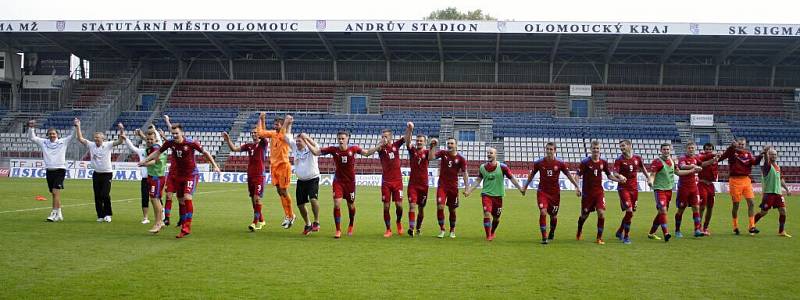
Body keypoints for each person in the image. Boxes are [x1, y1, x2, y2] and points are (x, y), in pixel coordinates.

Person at [141, 121, 220, 238]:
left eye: (176, 133)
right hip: (178, 175)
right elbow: (157, 152)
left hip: (191, 175)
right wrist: (145, 160)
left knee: (187, 197)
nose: (174, 136)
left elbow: (205, 153)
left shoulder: (191, 143)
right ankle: (181, 221)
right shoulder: (170, 143)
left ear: (181, 132)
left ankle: (187, 226)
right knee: (180, 199)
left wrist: (215, 165)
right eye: (172, 133)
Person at [309, 130, 378, 238]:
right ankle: (338, 230)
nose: (341, 140)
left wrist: (379, 145)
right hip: (338, 181)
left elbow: (367, 153)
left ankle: (351, 224)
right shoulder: (333, 150)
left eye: (343, 138)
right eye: (339, 138)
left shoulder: (354, 149)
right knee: (337, 203)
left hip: (350, 182)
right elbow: (316, 152)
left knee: (351, 205)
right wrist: (307, 142)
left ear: (347, 139)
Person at [522, 142, 581, 244]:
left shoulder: (560, 163)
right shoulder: (539, 163)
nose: (549, 151)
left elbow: (568, 175)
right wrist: (525, 186)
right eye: (547, 149)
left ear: (555, 150)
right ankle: (544, 237)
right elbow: (531, 175)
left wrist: (576, 186)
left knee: (553, 216)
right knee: (543, 212)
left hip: (555, 194)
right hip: (542, 192)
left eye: (551, 149)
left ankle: (552, 232)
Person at [464, 147, 525, 241]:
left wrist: (520, 188)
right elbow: (478, 180)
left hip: (498, 196)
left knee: (496, 218)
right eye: (488, 153)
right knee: (487, 213)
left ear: (495, 155)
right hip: (486, 195)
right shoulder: (482, 167)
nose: (489, 154)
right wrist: (469, 191)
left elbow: (512, 178)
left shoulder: (503, 167)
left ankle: (492, 232)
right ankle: (488, 235)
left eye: (491, 153)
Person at [647, 143, 701, 242]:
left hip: (669, 190)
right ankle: (666, 233)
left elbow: (678, 172)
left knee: (661, 212)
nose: (666, 151)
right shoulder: (657, 162)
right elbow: (652, 174)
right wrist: (650, 181)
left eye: (667, 149)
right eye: (664, 149)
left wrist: (693, 170)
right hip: (659, 189)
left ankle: (651, 233)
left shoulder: (672, 161)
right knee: (663, 210)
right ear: (660, 150)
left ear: (670, 150)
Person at [121, 124, 168, 233]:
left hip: (157, 177)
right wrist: (142, 135)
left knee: (154, 200)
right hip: (153, 176)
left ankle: (159, 222)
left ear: (156, 139)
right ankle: (159, 221)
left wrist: (144, 163)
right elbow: (147, 141)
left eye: (151, 139)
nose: (149, 141)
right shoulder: (151, 147)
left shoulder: (156, 148)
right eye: (147, 139)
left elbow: (154, 161)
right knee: (155, 200)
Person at [74, 118, 123, 223]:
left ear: (103, 138)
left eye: (98, 137)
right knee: (97, 196)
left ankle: (108, 214)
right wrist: (78, 126)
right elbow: (80, 138)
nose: (96, 139)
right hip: (96, 174)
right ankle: (100, 215)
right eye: (95, 137)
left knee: (105, 194)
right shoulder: (91, 145)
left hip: (107, 174)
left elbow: (120, 141)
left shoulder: (108, 145)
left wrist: (121, 130)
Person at [576, 141, 624, 245]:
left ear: (600, 149)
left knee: (601, 213)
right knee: (584, 216)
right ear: (590, 149)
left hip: (599, 193)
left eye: (597, 148)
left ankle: (599, 238)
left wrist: (619, 180)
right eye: (594, 148)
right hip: (587, 194)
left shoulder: (603, 162)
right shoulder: (585, 162)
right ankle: (579, 230)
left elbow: (609, 175)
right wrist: (577, 188)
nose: (596, 150)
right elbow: (577, 175)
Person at [27, 119, 74, 222]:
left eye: (54, 134)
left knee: (55, 192)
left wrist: (76, 126)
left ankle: (53, 214)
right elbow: (32, 137)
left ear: (57, 134)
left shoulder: (63, 142)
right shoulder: (44, 142)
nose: (52, 135)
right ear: (48, 135)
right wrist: (31, 127)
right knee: (54, 194)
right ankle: (59, 212)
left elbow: (73, 136)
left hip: (60, 169)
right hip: (49, 170)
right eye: (50, 134)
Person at [255, 113, 296, 229]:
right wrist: (262, 119)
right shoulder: (273, 134)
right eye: (274, 124)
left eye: (277, 124)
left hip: (283, 166)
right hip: (274, 167)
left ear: (282, 125)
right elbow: (261, 133)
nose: (275, 126)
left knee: (284, 190)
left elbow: (286, 128)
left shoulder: (285, 135)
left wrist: (288, 121)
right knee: (279, 191)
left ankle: (291, 215)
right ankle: (288, 215)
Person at [222, 130, 267, 232]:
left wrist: (261, 121)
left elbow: (263, 133)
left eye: (256, 132)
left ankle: (255, 223)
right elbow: (234, 149)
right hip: (250, 176)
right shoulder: (248, 145)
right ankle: (261, 220)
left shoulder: (263, 144)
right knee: (253, 199)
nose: (254, 134)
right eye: (252, 133)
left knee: (257, 198)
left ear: (259, 135)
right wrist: (228, 140)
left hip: (260, 176)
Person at [718, 137, 764, 235]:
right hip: (734, 180)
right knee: (736, 205)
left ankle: (752, 226)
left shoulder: (748, 154)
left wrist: (761, 155)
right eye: (740, 144)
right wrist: (731, 147)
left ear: (745, 145)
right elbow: (722, 157)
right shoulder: (732, 152)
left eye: (743, 144)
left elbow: (755, 162)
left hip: (746, 180)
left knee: (751, 202)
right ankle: (735, 226)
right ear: (736, 144)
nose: (741, 146)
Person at [375, 124, 413, 238]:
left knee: (399, 205)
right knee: (386, 207)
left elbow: (406, 138)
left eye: (386, 136)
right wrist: (380, 144)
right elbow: (375, 148)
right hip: (386, 182)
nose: (384, 138)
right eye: (382, 136)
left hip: (397, 181)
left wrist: (409, 129)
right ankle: (388, 229)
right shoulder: (381, 149)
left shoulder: (396, 145)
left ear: (391, 137)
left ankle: (398, 222)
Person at [427, 137, 469, 239]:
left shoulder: (461, 159)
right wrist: (432, 146)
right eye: (448, 143)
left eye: (451, 143)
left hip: (453, 188)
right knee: (440, 207)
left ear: (456, 145)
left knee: (452, 210)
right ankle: (442, 229)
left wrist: (467, 187)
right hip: (442, 186)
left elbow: (464, 173)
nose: (449, 145)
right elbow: (430, 158)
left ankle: (452, 230)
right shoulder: (443, 153)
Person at [611, 139, 651, 244]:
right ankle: (626, 236)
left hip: (634, 189)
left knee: (630, 213)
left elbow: (643, 168)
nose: (621, 148)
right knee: (629, 211)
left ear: (629, 146)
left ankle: (619, 231)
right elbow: (614, 172)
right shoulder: (619, 160)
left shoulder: (637, 158)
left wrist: (648, 178)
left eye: (623, 146)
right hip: (623, 188)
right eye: (620, 146)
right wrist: (620, 176)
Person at [753, 146, 792, 237]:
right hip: (769, 193)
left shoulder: (777, 167)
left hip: (778, 193)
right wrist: (765, 152)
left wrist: (786, 189)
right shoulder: (767, 166)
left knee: (783, 211)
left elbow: (780, 179)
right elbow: (766, 161)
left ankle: (781, 231)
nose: (774, 156)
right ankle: (751, 225)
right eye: (772, 154)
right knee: (763, 212)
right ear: (769, 155)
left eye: (775, 154)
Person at [673, 142, 706, 238]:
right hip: (683, 188)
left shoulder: (696, 158)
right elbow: (682, 167)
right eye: (689, 148)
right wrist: (694, 167)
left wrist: (713, 160)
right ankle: (677, 230)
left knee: (696, 207)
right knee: (681, 209)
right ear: (686, 149)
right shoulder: (682, 159)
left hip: (694, 188)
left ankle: (697, 230)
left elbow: (702, 164)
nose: (691, 149)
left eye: (692, 148)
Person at [293, 133, 322, 236]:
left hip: (312, 178)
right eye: (296, 141)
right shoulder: (294, 149)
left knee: (313, 199)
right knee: (300, 205)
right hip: (301, 180)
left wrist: (307, 139)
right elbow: (286, 136)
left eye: (299, 141)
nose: (297, 143)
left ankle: (316, 221)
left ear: (305, 141)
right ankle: (308, 224)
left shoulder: (311, 148)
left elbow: (316, 151)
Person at [404, 123, 430, 237]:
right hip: (413, 185)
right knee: (412, 206)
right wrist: (410, 129)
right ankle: (411, 228)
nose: (419, 142)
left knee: (421, 209)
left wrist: (434, 146)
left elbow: (433, 157)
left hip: (424, 185)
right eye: (417, 140)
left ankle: (418, 227)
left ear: (425, 142)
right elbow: (408, 142)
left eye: (421, 141)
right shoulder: (412, 151)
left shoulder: (428, 153)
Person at [696, 143, 719, 235]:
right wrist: (713, 157)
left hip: (711, 185)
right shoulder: (700, 157)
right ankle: (699, 227)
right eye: (707, 149)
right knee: (702, 207)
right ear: (704, 150)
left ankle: (705, 227)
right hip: (702, 184)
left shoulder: (715, 160)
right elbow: (701, 163)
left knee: (710, 207)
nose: (708, 151)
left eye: (710, 149)